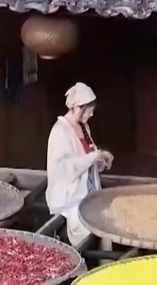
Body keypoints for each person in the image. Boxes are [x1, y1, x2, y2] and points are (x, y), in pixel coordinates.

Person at [45, 82, 113, 246]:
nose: (91, 114)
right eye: (88, 110)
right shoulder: (60, 131)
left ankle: (105, 257)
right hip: (70, 198)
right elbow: (64, 169)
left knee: (108, 219)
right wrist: (92, 157)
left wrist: (101, 159)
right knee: (88, 224)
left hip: (88, 193)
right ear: (77, 107)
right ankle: (84, 258)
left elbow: (88, 157)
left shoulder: (84, 127)